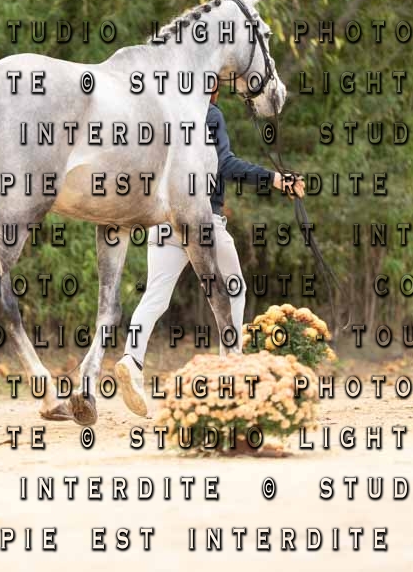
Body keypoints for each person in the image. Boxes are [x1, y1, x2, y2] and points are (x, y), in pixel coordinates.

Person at [114, 78, 305, 417]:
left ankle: (131, 359)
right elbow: (225, 164)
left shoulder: (165, 116)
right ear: (212, 90)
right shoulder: (210, 114)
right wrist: (275, 179)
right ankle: (230, 368)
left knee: (155, 295)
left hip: (163, 219)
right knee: (234, 288)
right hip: (203, 220)